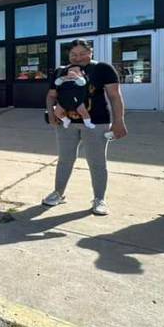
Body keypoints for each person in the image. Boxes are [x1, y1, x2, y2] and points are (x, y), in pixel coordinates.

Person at [44, 39, 127, 216]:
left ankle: (99, 199)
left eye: (83, 53)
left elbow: (114, 96)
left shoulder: (103, 69)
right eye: (74, 54)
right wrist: (51, 114)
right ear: (69, 55)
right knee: (65, 159)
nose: (78, 57)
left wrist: (119, 121)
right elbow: (51, 95)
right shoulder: (61, 71)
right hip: (67, 122)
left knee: (96, 162)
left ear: (91, 52)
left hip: (96, 123)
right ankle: (58, 193)